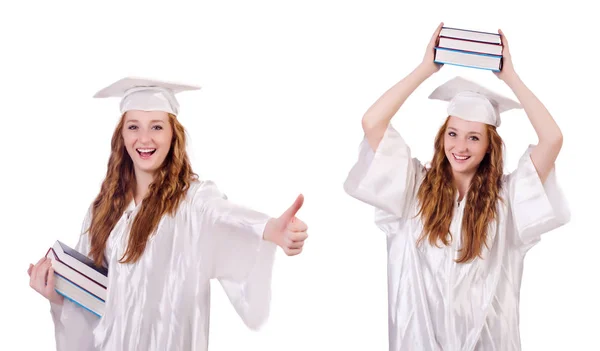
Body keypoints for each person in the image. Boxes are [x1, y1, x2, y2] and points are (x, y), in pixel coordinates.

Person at [27, 77, 309, 351]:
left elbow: (224, 216)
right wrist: (58, 295)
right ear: (122, 135)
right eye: (134, 126)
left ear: (173, 134)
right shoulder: (102, 211)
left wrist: (271, 229)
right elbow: (92, 299)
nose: (144, 138)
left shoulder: (191, 203)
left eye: (157, 127)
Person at [343, 22, 570, 350]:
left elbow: (552, 139)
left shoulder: (508, 200)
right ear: (442, 137)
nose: (460, 146)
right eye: (453, 133)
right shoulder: (413, 188)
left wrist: (511, 78)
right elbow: (372, 122)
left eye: (473, 137)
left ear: (489, 146)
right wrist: (425, 69)